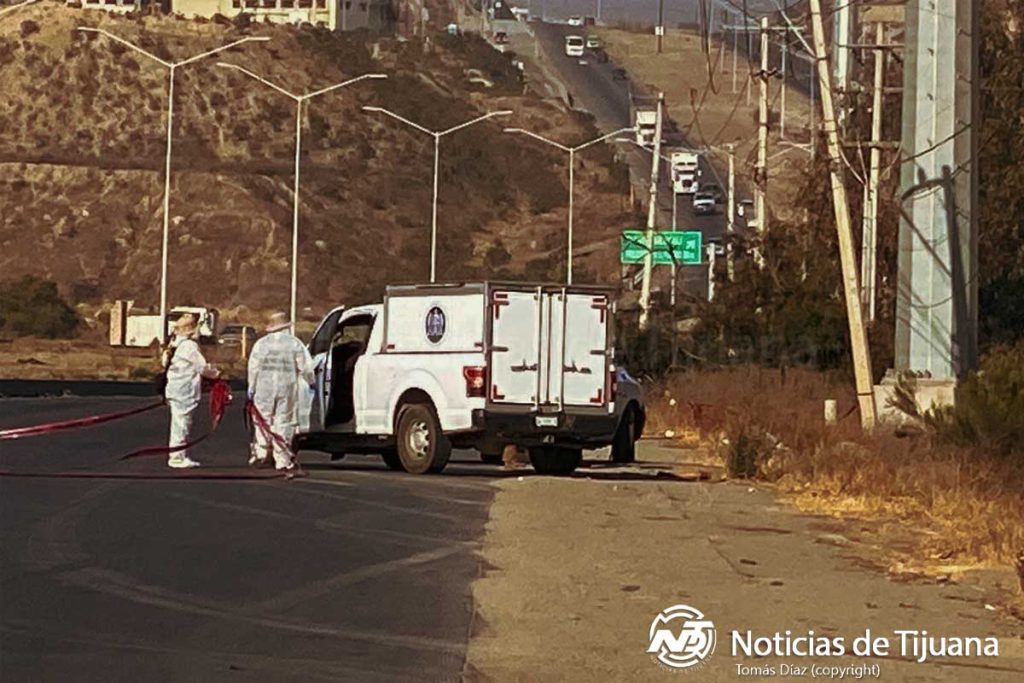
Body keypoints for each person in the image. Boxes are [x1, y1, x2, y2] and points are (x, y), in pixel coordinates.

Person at [247, 312, 315, 471]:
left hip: (263, 388)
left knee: (262, 420)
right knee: (284, 421)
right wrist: (311, 382)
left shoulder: (261, 344)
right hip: (287, 388)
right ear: (286, 326)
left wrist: (251, 388)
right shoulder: (294, 343)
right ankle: (282, 459)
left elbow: (253, 368)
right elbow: (306, 367)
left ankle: (262, 453)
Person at [164, 313, 220, 468]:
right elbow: (202, 367)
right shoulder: (189, 346)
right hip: (184, 390)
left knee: (178, 422)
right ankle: (177, 457)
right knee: (182, 424)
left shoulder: (175, 345)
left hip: (174, 388)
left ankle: (177, 454)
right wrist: (216, 374)